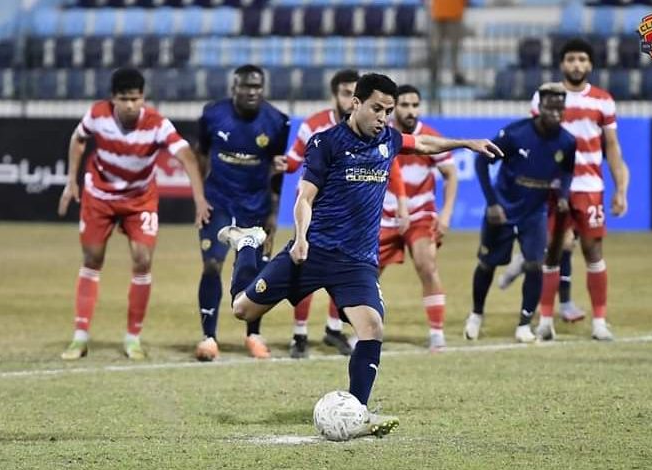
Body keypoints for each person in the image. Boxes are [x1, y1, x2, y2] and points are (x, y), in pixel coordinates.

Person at [230, 73, 501, 438]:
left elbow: (423, 143)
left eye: (388, 110)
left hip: (356, 261)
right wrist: (301, 238)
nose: (383, 118)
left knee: (371, 326)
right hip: (313, 251)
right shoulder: (326, 142)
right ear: (355, 103)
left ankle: (357, 412)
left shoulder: (387, 138)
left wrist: (466, 143)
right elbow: (305, 197)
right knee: (242, 310)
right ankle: (247, 243)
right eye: (377, 109)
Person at [57, 67, 210, 360]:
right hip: (99, 195)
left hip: (139, 200)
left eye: (136, 99)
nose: (130, 105)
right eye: (124, 99)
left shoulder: (157, 124)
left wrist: (199, 198)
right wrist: (71, 180)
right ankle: (80, 337)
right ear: (113, 98)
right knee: (92, 259)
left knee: (142, 260)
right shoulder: (98, 114)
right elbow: (78, 139)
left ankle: (133, 338)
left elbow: (186, 157)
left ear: (143, 98)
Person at [282, 69, 409, 359]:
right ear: (338, 96)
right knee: (305, 268)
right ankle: (300, 334)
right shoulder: (315, 126)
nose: (349, 98)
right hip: (316, 210)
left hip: (351, 216)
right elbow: (293, 160)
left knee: (345, 271)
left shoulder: (372, 129)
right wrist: (279, 164)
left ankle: (334, 328)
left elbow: (391, 165)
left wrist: (402, 200)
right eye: (344, 93)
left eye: (353, 92)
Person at [463, 83, 576, 343]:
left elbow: (567, 171)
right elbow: (482, 161)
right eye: (550, 107)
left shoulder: (568, 141)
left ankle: (524, 324)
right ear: (539, 107)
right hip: (503, 210)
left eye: (560, 108)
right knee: (487, 264)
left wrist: (562, 196)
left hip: (534, 213)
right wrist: (492, 203)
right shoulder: (516, 134)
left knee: (535, 264)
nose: (555, 113)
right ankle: (476, 315)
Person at [534, 38, 629, 342]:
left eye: (582, 59)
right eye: (571, 59)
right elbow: (536, 142)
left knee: (593, 251)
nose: (577, 65)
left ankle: (599, 322)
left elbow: (612, 146)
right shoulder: (544, 97)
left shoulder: (603, 100)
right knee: (551, 252)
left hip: (589, 187)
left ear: (590, 64)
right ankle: (545, 321)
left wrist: (620, 189)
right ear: (562, 64)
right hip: (555, 188)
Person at [193, 65, 290, 361]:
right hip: (218, 203)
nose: (251, 92)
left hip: (256, 207)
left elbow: (279, 169)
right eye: (246, 86)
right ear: (234, 88)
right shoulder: (213, 114)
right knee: (212, 265)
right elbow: (200, 154)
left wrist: (273, 211)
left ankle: (253, 335)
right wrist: (200, 197)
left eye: (257, 87)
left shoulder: (277, 122)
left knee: (255, 271)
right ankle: (209, 338)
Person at [379, 84, 458, 352]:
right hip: (385, 215)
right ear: (393, 108)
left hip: (421, 214)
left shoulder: (430, 137)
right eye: (404, 105)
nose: (411, 111)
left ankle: (436, 333)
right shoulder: (383, 134)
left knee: (427, 265)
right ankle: (360, 331)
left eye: (415, 105)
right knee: (366, 273)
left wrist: (445, 214)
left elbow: (451, 174)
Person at [428, 0, 468, 86]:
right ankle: (434, 73)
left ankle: (455, 73)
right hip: (440, 14)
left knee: (454, 48)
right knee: (436, 48)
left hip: (453, 13)